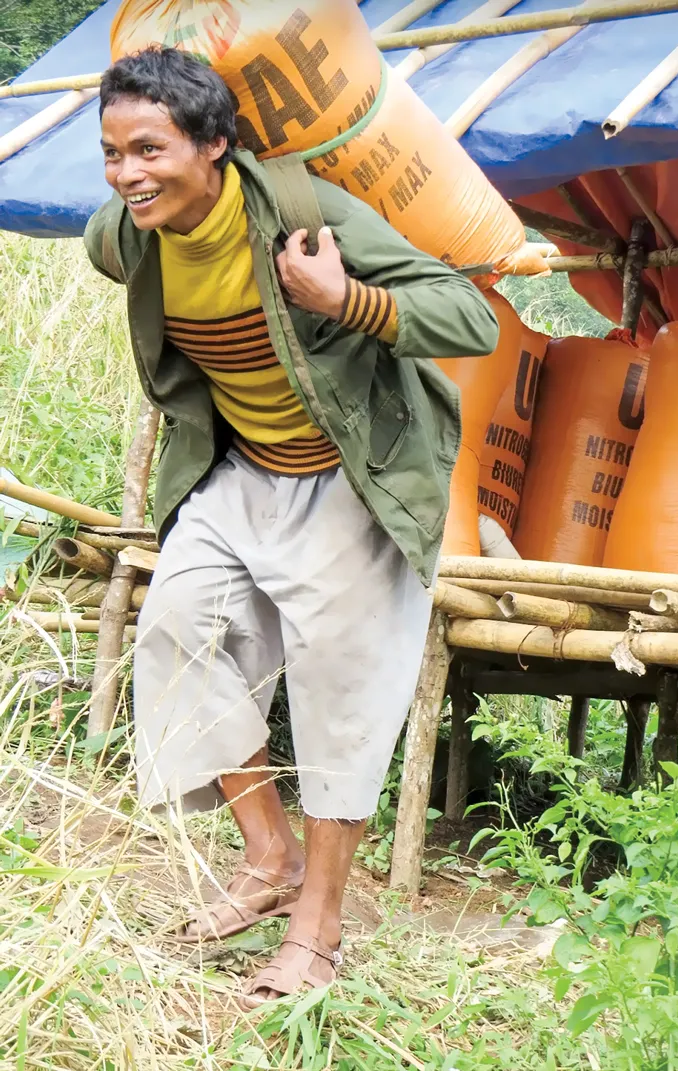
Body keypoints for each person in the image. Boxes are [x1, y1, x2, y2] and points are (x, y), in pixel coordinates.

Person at [85, 46, 499, 1005]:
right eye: (110, 153)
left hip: (351, 474)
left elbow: (468, 316)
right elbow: (109, 243)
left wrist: (343, 298)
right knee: (175, 632)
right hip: (239, 471)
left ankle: (319, 925)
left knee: (337, 697)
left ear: (217, 147)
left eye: (148, 149)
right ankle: (266, 858)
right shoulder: (127, 233)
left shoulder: (310, 217)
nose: (127, 174)